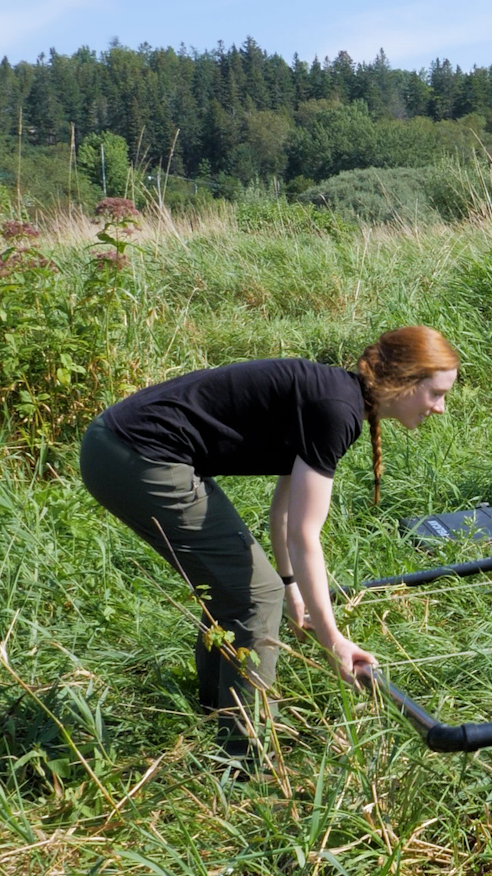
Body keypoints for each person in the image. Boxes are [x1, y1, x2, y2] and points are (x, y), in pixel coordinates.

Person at [79, 326, 460, 761]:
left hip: (118, 446)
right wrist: (334, 639)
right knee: (255, 593)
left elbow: (283, 510)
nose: (441, 408)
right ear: (404, 383)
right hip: (137, 454)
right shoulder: (338, 409)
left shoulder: (334, 397)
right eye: (436, 393)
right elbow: (304, 535)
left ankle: (213, 713)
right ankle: (248, 758)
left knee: (247, 588)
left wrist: (291, 587)